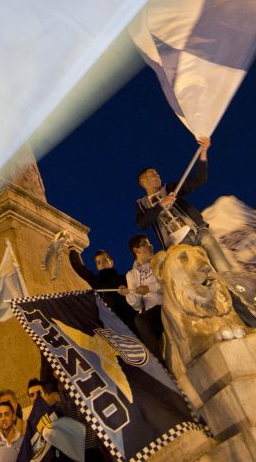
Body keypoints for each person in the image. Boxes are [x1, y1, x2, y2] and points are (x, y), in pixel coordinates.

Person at [135, 137, 211, 250]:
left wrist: (203, 151)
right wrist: (161, 205)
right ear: (144, 181)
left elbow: (198, 179)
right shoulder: (142, 205)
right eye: (153, 174)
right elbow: (142, 223)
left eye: (158, 174)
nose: (157, 176)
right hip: (178, 245)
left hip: (196, 231)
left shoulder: (170, 189)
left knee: (221, 263)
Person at [67, 244, 140, 331]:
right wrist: (72, 248)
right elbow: (80, 268)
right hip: (115, 325)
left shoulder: (125, 278)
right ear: (97, 267)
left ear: (111, 262)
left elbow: (138, 294)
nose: (102, 264)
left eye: (105, 260)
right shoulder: (96, 281)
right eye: (98, 262)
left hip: (132, 319)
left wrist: (128, 292)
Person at [124, 234, 165, 362]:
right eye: (146, 244)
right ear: (136, 250)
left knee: (140, 320)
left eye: (149, 243)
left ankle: (159, 363)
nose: (151, 246)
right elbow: (136, 305)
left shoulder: (160, 262)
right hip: (149, 314)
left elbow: (168, 283)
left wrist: (149, 288)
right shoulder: (131, 275)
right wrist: (128, 294)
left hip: (165, 306)